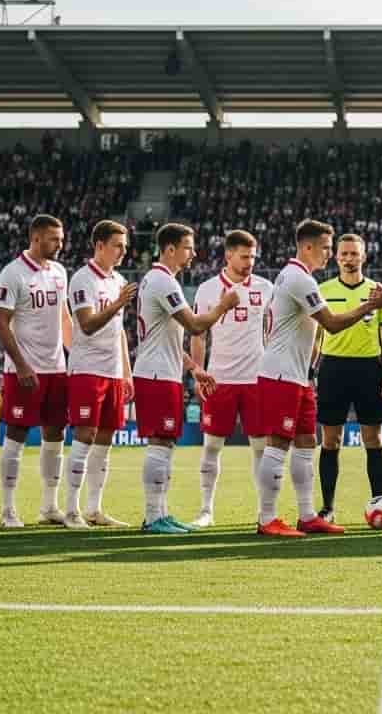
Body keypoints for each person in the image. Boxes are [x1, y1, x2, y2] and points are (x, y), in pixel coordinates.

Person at [253, 219, 380, 537]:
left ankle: (308, 515)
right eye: (325, 248)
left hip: (297, 375)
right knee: (278, 444)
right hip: (281, 373)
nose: (329, 254)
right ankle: (266, 518)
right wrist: (369, 306)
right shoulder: (299, 279)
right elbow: (332, 324)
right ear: (307, 247)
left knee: (307, 443)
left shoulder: (295, 275)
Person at [133, 223, 236, 534]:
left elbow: (169, 340)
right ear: (170, 249)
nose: (194, 253)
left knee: (165, 442)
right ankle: (153, 517)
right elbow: (194, 325)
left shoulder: (159, 281)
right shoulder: (163, 282)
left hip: (162, 370)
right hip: (156, 374)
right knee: (160, 441)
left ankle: (161, 512)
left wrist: (194, 367)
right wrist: (223, 306)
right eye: (189, 247)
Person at [0, 215, 74, 528]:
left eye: (62, 239)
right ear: (36, 238)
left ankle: (49, 506)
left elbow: (65, 318)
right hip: (23, 370)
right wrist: (22, 364)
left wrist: (73, 356)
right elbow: (1, 323)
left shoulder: (59, 272)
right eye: (55, 239)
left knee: (56, 434)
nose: (60, 244)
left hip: (57, 368)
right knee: (16, 435)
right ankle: (8, 509)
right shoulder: (12, 273)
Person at [189, 229, 274, 528]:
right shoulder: (208, 289)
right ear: (228, 255)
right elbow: (198, 334)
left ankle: (265, 511)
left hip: (256, 378)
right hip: (219, 378)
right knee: (212, 446)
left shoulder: (266, 288)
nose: (250, 261)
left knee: (261, 448)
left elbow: (272, 330)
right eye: (244, 256)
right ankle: (205, 510)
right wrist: (199, 371)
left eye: (253, 256)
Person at [313, 233, 382, 522]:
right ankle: (327, 508)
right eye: (344, 254)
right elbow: (315, 336)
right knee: (330, 440)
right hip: (333, 368)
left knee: (373, 439)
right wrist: (311, 371)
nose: (349, 259)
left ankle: (379, 501)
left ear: (364, 256)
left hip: (368, 369)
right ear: (336, 257)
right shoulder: (322, 289)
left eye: (354, 254)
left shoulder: (379, 292)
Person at [62, 220, 139, 528]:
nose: (123, 251)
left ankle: (94, 508)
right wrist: (119, 302)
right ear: (100, 246)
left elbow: (119, 331)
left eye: (125, 246)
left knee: (106, 439)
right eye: (118, 245)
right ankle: (71, 510)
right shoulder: (83, 280)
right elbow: (87, 324)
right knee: (85, 435)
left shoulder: (117, 278)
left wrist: (127, 371)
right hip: (86, 369)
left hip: (112, 371)